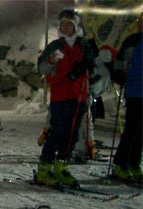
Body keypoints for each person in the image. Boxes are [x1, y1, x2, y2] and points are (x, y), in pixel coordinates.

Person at [36, 8, 96, 187]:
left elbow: (93, 70)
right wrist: (51, 61)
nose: (66, 27)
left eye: (69, 24)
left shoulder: (84, 45)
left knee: (72, 134)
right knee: (57, 132)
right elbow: (42, 69)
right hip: (60, 96)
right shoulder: (55, 46)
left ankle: (61, 164)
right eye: (63, 24)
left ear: (75, 26)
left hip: (79, 97)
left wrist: (90, 65)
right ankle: (45, 167)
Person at [111, 11, 142, 184]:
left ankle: (134, 164)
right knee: (132, 129)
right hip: (134, 91)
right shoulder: (132, 41)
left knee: (141, 132)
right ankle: (120, 164)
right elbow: (120, 58)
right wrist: (119, 74)